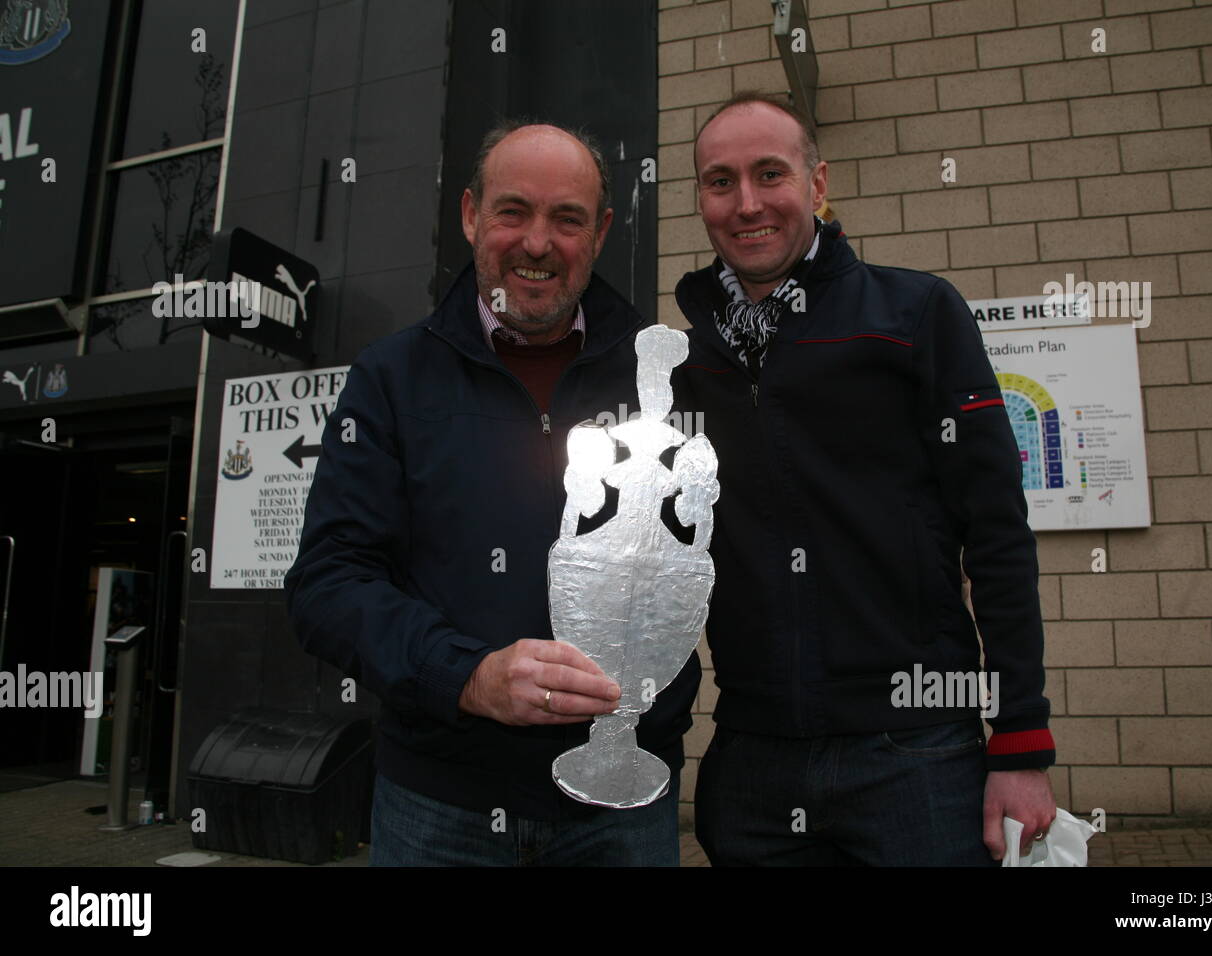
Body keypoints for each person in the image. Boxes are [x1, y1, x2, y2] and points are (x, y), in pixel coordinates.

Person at [285, 121, 700, 866]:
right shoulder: (393, 379)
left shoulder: (665, 382)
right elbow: (327, 583)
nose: (538, 243)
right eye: (514, 211)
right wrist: (465, 676)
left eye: (567, 218)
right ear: (472, 216)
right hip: (441, 807)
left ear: (600, 232)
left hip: (627, 808)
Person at [671, 91, 1056, 866]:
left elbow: (998, 537)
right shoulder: (686, 366)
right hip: (753, 763)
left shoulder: (917, 314)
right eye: (720, 181)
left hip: (916, 756)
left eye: (769, 173)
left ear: (818, 185)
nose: (746, 203)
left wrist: (1019, 743)